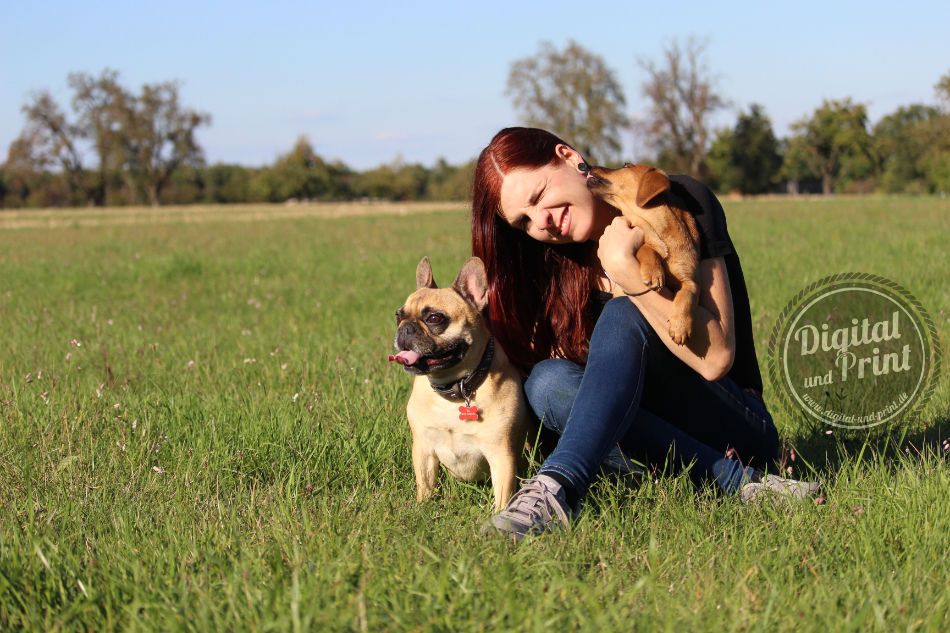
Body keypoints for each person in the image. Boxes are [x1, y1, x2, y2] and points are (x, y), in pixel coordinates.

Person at [471, 127, 820, 542]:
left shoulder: (673, 201)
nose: (541, 221)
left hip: (735, 428)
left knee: (623, 312)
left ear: (567, 156)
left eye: (538, 195)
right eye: (524, 221)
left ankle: (556, 489)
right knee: (547, 384)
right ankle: (735, 482)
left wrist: (628, 274)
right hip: (639, 440)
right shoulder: (554, 265)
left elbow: (717, 358)